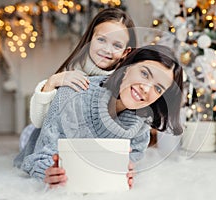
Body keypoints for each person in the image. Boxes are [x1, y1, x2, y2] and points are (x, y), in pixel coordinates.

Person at [14, 44, 183, 189]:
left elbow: (130, 161)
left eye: (158, 88)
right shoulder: (72, 95)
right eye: (145, 74)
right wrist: (47, 172)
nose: (146, 89)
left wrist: (127, 171)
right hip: (37, 135)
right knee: (29, 135)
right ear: (126, 68)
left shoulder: (141, 122)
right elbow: (38, 158)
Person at [19, 7, 137, 150]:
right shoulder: (71, 73)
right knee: (30, 134)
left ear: (125, 52)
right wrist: (52, 82)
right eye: (101, 40)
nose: (106, 49)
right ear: (90, 39)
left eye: (117, 45)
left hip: (93, 143)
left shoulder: (124, 81)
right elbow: (39, 122)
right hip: (58, 138)